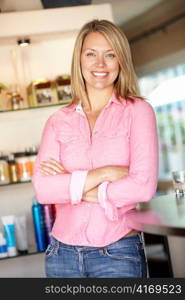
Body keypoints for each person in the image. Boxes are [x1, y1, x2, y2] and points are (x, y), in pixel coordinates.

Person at [32, 19, 158, 278]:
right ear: (79, 60)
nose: (100, 64)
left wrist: (72, 188)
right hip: (61, 255)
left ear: (121, 60)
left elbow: (143, 186)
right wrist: (105, 173)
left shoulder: (138, 111)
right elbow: (44, 190)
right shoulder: (58, 120)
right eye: (91, 54)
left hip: (118, 251)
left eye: (110, 54)